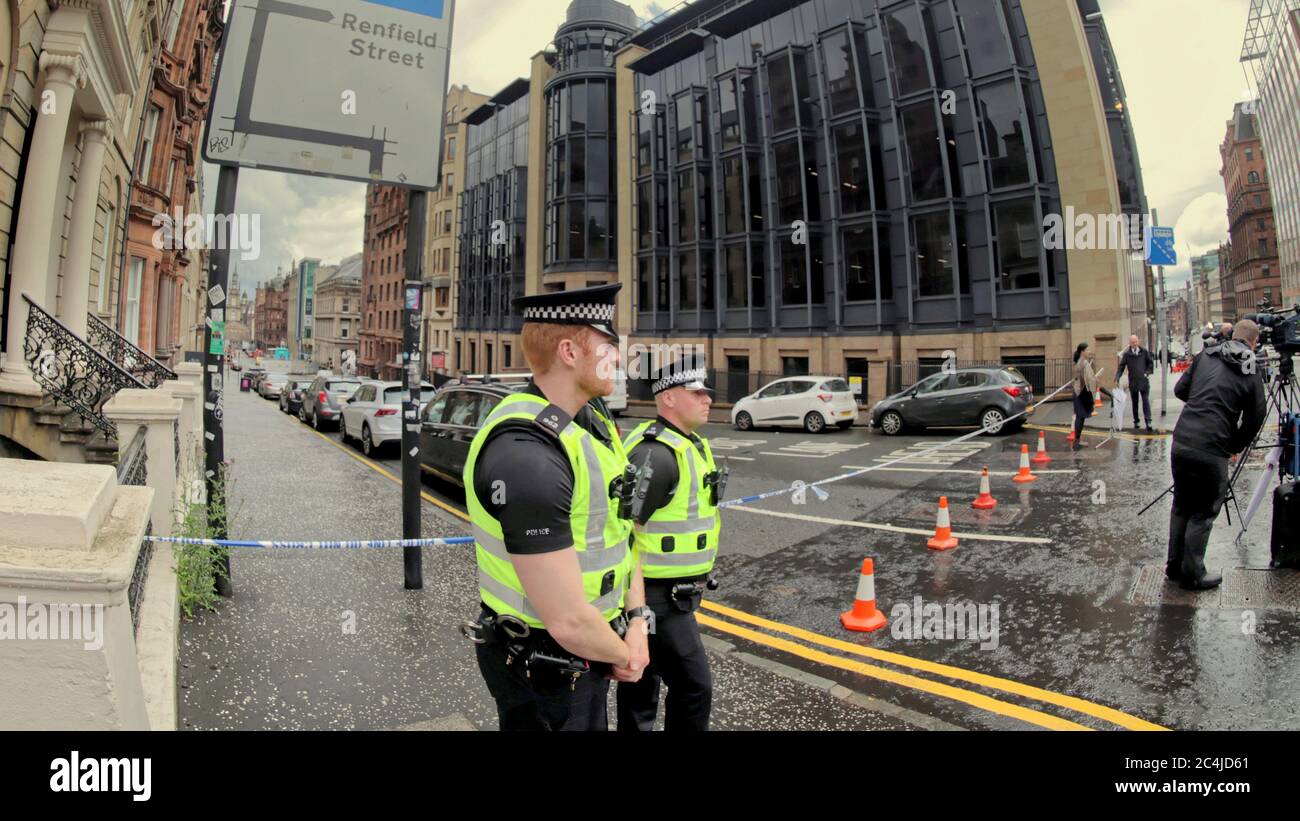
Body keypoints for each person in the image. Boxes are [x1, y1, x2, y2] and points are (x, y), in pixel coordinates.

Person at [462, 284, 649, 730]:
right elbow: (566, 620)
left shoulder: (593, 417)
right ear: (569, 351)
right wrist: (628, 653)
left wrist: (638, 618)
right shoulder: (528, 453)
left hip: (595, 648)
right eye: (608, 347)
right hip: (544, 664)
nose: (618, 359)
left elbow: (622, 534)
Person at [617, 355, 721, 732]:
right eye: (696, 392)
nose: (707, 399)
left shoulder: (685, 444)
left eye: (706, 392)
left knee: (641, 686)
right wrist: (637, 613)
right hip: (656, 599)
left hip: (671, 596)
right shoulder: (656, 454)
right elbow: (622, 533)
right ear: (668, 399)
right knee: (694, 687)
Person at [1167, 319, 1268, 591]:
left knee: (1181, 506)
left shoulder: (1207, 354)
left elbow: (1180, 390)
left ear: (1233, 335)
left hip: (1182, 440)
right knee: (1203, 511)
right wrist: (1235, 443)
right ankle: (1194, 574)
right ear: (1253, 342)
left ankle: (1174, 567)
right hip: (1212, 448)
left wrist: (1202, 404)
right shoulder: (1250, 367)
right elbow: (1257, 415)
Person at [1116, 335, 1155, 432]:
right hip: (1133, 382)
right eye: (1133, 342)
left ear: (1138, 342)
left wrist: (1147, 372)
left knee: (1145, 401)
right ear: (1130, 343)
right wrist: (1117, 377)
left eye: (1136, 342)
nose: (1134, 344)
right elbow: (1121, 366)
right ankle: (1136, 421)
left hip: (1144, 381)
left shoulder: (1144, 352)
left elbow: (1150, 363)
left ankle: (1148, 421)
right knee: (1135, 403)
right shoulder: (1127, 355)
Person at [1071, 343, 1098, 450]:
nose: (1089, 351)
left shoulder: (1080, 361)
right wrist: (1095, 380)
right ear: (1082, 351)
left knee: (1080, 417)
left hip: (1079, 392)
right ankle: (1076, 442)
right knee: (1080, 417)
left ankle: (1077, 441)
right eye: (1087, 350)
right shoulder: (1083, 362)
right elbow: (1087, 379)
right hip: (1081, 393)